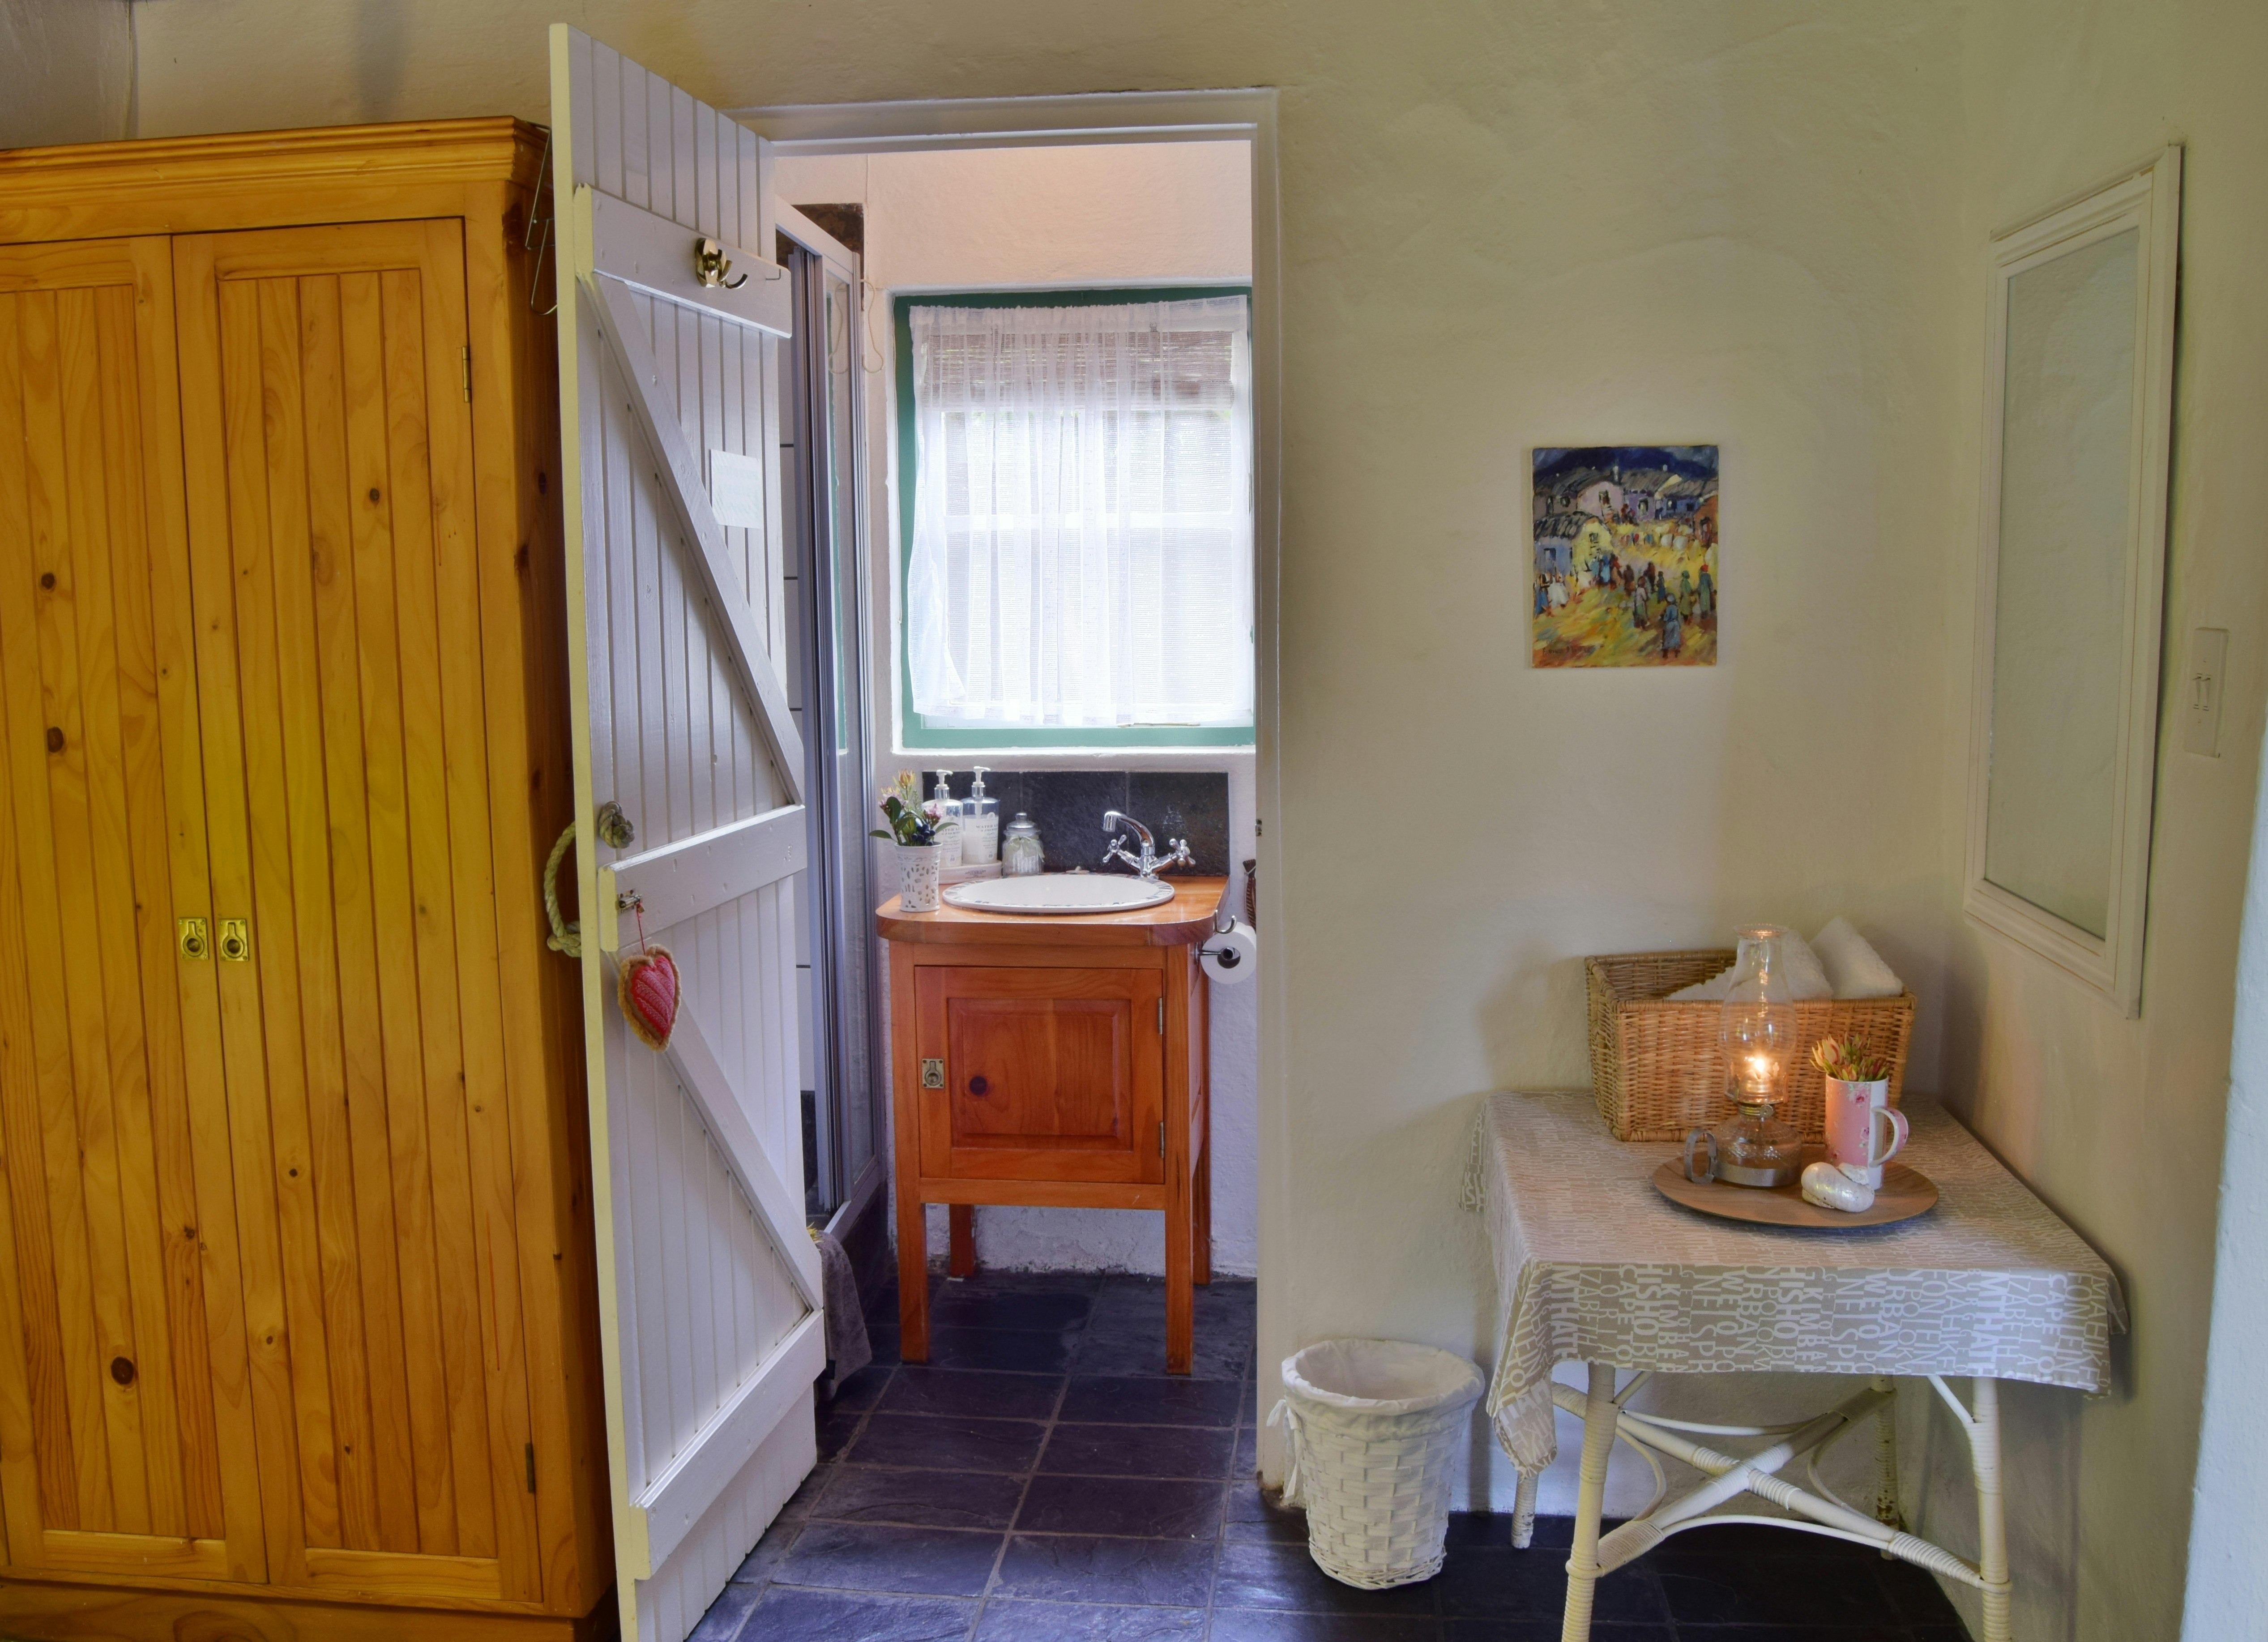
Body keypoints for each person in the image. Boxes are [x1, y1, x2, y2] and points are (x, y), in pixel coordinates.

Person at [1661, 591, 1683, 658]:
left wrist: (1663, 616)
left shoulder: (1668, 608)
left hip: (1670, 624)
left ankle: (1665, 653)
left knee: (1667, 637)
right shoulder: (1676, 607)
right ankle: (1676, 651)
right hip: (1676, 624)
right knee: (1676, 637)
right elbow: (1678, 617)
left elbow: (1667, 618)